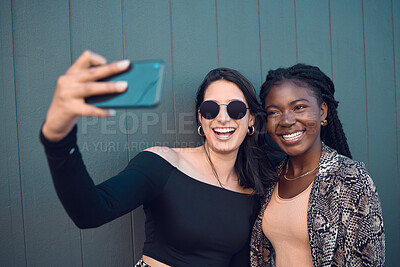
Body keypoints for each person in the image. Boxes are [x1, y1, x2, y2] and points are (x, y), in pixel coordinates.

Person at [40, 50, 276, 267]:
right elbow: (89, 213)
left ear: (251, 120)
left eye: (235, 109)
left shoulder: (253, 188)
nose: (222, 118)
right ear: (201, 120)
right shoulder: (161, 164)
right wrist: (58, 138)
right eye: (210, 110)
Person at [250, 64, 385, 266]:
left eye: (299, 107)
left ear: (322, 112)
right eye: (274, 112)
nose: (286, 121)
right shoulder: (273, 178)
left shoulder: (349, 178)